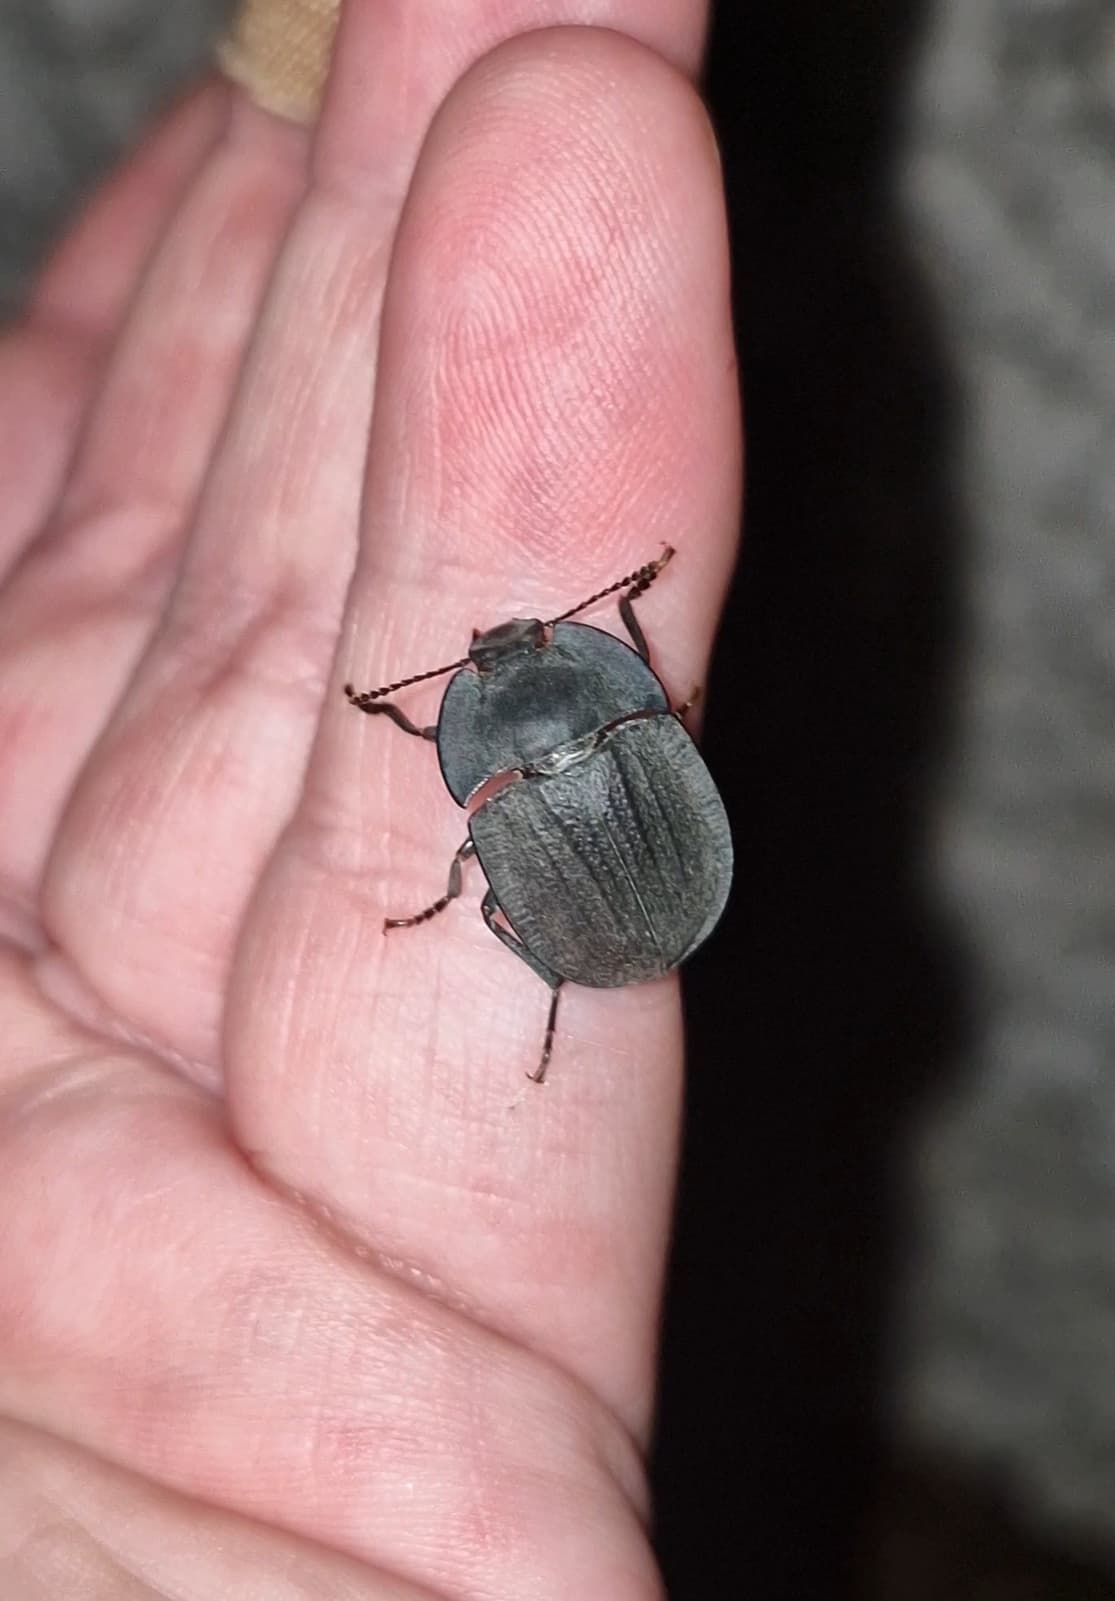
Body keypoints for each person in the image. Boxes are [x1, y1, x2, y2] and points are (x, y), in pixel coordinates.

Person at [0, 1, 739, 1593]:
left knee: (496, 875)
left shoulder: (529, 746)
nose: (505, 646)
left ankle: (531, 968)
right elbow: (603, 694)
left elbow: (537, 728)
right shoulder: (598, 710)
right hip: (636, 840)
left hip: (618, 845)